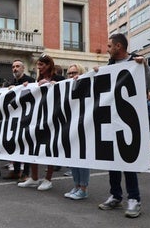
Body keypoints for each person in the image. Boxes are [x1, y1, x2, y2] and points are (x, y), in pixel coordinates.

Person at [96, 33, 150, 218]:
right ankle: (116, 195)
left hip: (130, 120)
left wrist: (145, 67)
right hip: (112, 119)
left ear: (118, 46)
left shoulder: (135, 62)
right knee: (112, 160)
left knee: (128, 159)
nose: (107, 49)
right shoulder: (110, 65)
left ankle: (134, 199)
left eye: (109, 46)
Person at [17, 54, 65, 190]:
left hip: (53, 118)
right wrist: (26, 86)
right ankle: (34, 177)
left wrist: (51, 84)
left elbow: (65, 91)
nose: (39, 67)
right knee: (33, 147)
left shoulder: (59, 78)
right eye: (38, 65)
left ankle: (48, 179)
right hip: (38, 118)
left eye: (41, 65)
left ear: (49, 65)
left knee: (49, 148)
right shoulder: (38, 79)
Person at [3, 60, 35, 182]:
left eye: (17, 66)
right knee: (15, 144)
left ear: (23, 68)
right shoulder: (11, 82)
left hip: (26, 118)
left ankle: (25, 173)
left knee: (25, 145)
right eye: (13, 67)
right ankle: (16, 171)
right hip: (14, 119)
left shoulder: (30, 81)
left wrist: (18, 88)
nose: (15, 69)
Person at [63, 63, 90, 200]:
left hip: (84, 125)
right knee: (73, 158)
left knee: (82, 159)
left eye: (74, 73)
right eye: (69, 73)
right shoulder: (66, 87)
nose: (72, 76)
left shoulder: (86, 85)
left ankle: (83, 188)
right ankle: (77, 185)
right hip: (71, 125)